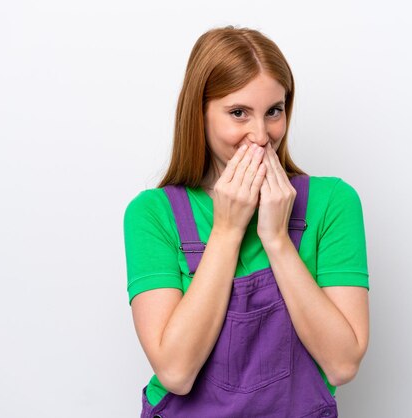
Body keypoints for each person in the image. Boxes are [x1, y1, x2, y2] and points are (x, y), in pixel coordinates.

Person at [123, 25, 370, 417]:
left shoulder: (333, 203)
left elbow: (342, 364)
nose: (260, 135)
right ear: (199, 113)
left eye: (274, 111)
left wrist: (276, 238)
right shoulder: (152, 214)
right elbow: (176, 372)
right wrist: (227, 230)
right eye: (238, 113)